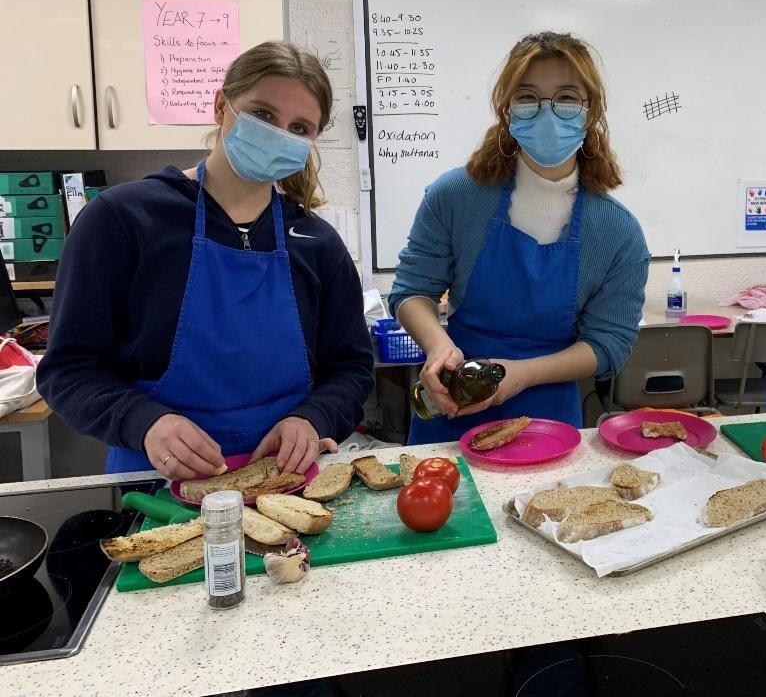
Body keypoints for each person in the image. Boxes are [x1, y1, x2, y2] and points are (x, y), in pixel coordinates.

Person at [38, 41, 374, 479]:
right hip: (158, 481)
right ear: (220, 106)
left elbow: (350, 368)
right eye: (262, 115)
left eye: (299, 127)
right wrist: (147, 422)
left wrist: (313, 419)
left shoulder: (316, 241)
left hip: (286, 478)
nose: (278, 135)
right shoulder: (122, 220)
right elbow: (69, 369)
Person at [389, 31, 649, 444]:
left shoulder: (618, 232)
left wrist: (522, 374)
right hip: (452, 408)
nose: (547, 113)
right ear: (506, 109)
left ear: (590, 110)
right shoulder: (455, 197)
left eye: (566, 98)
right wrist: (439, 348)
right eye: (527, 97)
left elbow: (607, 347)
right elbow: (411, 292)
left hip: (548, 423)